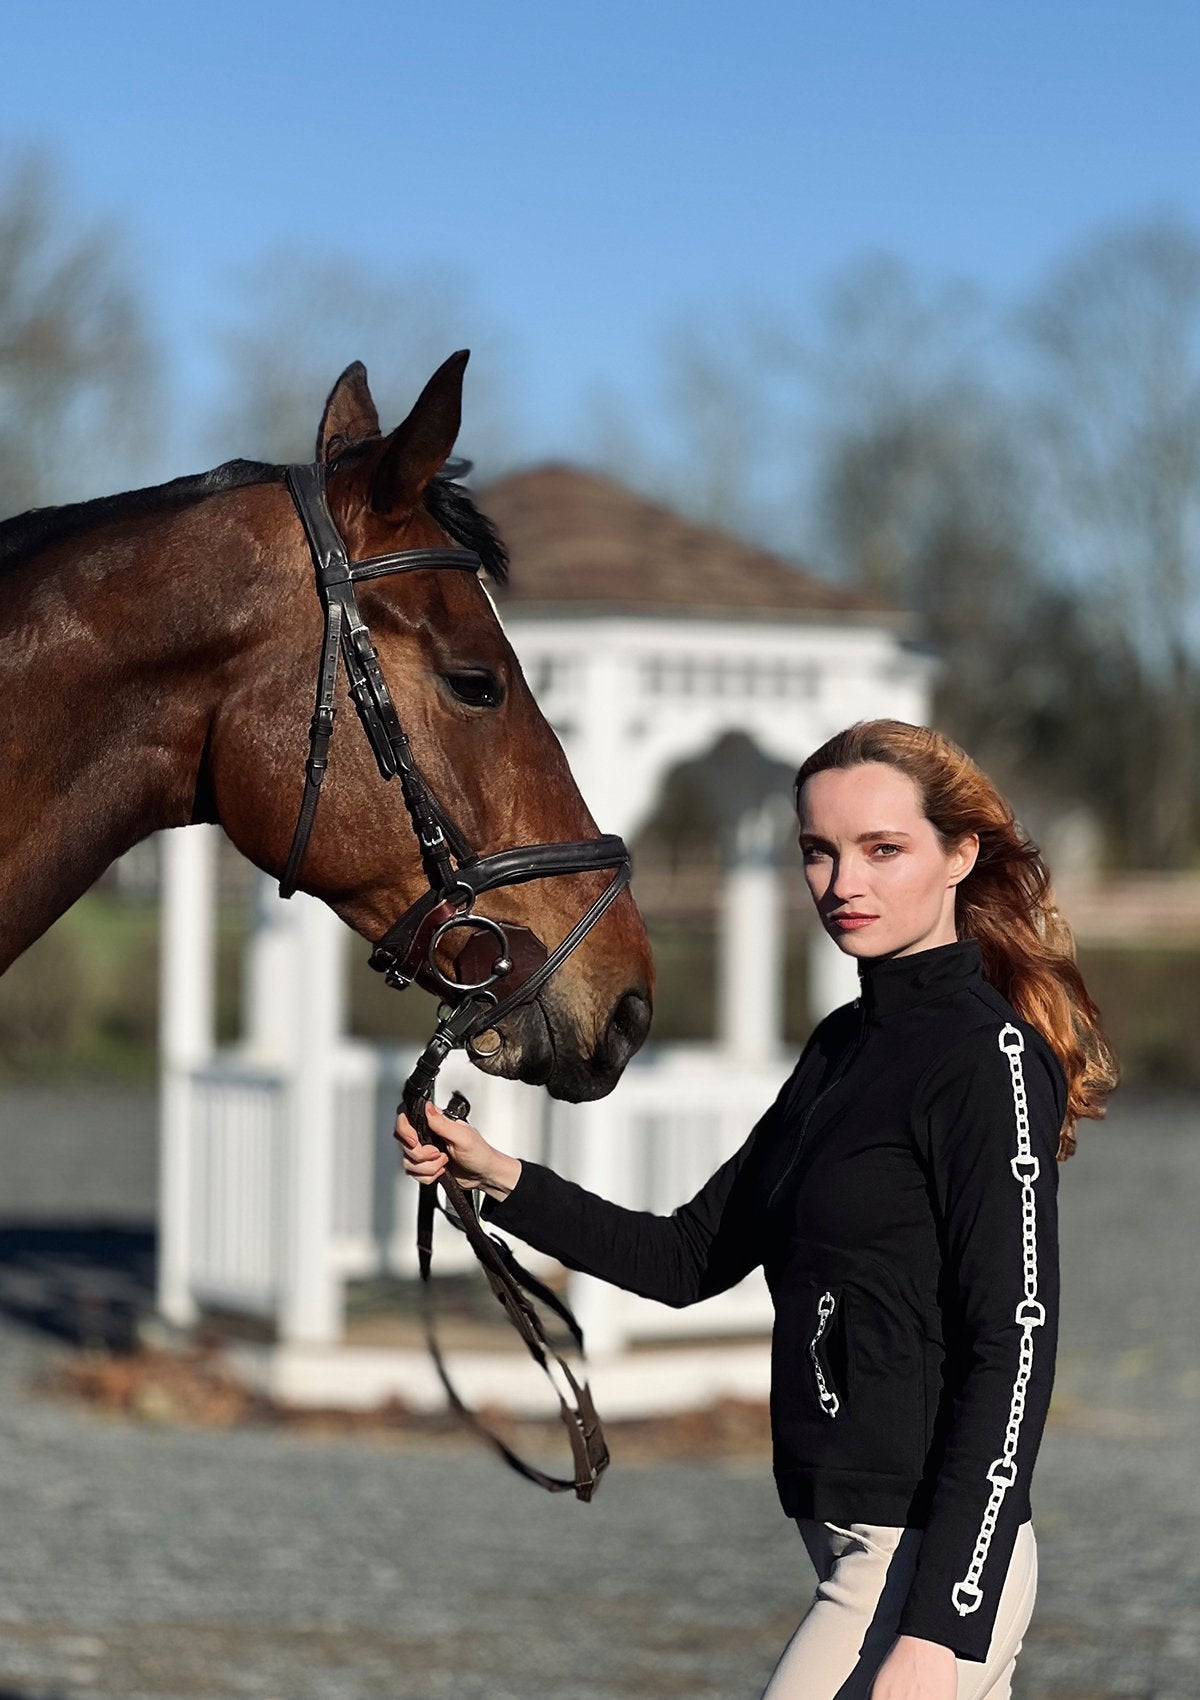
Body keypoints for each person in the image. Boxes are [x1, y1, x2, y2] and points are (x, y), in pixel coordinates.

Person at [397, 719, 1117, 1700]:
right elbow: (688, 1255)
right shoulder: (841, 1046)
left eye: (882, 848)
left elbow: (1015, 1342)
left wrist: (943, 1625)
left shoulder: (983, 1063)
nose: (842, 883)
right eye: (817, 851)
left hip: (921, 1562)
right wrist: (498, 1173)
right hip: (845, 1535)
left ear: (960, 853)